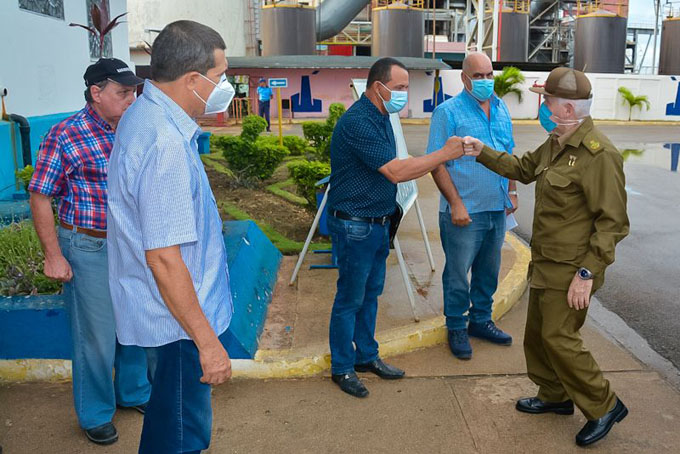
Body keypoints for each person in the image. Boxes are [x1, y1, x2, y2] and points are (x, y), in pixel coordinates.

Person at [462, 67, 629, 447]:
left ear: (567, 109)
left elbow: (613, 223)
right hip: (547, 261)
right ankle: (554, 396)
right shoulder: (556, 142)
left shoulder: (599, 156)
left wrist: (587, 273)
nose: (543, 105)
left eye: (548, 99)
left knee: (559, 336)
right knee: (537, 335)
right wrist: (481, 151)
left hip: (573, 268)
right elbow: (523, 169)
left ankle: (604, 405)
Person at [107, 20, 236, 453]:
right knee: (181, 435)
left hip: (168, 315)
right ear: (193, 80)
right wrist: (207, 343)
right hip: (179, 325)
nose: (225, 86)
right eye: (220, 77)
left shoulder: (145, 115)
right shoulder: (164, 142)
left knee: (168, 423)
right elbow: (163, 257)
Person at [327, 57, 471, 398]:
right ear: (379, 87)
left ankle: (366, 355)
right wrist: (443, 153)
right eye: (401, 87)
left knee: (371, 294)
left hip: (377, 223)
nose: (405, 94)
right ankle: (342, 367)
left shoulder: (382, 117)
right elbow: (397, 171)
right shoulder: (358, 122)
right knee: (349, 299)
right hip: (355, 226)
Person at [28, 58, 150, 446]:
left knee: (134, 323)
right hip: (89, 245)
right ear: (96, 93)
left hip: (131, 245)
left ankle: (133, 392)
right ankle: (96, 412)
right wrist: (53, 255)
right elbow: (40, 195)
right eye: (122, 92)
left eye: (133, 92)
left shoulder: (134, 128)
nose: (132, 99)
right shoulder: (65, 134)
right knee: (97, 335)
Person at [426, 52, 516, 361]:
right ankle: (456, 326)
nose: (486, 80)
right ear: (464, 79)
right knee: (457, 274)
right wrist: (455, 204)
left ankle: (480, 320)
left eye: (489, 74)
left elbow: (509, 154)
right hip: (463, 211)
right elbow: (437, 164)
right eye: (478, 76)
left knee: (488, 272)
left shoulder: (502, 108)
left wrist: (512, 193)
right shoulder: (447, 112)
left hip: (496, 207)